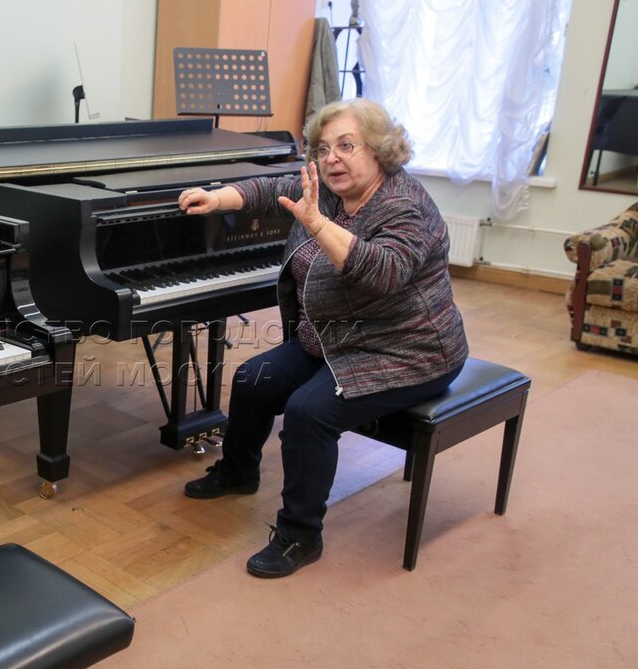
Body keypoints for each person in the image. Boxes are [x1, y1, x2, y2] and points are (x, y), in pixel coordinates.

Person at [176, 98, 468, 579]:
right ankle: (238, 471)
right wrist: (218, 197)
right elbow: (273, 187)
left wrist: (315, 222)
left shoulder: (405, 205)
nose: (332, 158)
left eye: (347, 146)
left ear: (379, 149)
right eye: (324, 148)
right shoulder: (328, 188)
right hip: (335, 339)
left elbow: (384, 273)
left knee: (309, 411)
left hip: (408, 350)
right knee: (252, 379)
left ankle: (300, 535)